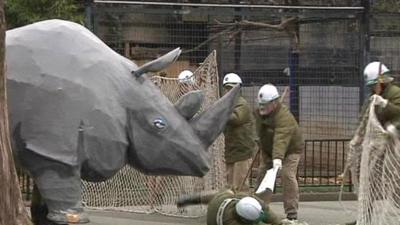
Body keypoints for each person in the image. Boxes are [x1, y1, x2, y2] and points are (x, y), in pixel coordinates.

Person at [345, 62, 400, 225]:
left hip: (394, 144)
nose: (373, 88)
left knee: (396, 183)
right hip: (379, 147)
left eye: (374, 84)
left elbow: (398, 112)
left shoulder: (395, 93)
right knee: (368, 182)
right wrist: (356, 139)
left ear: (383, 81)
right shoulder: (372, 98)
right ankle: (364, 218)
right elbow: (364, 118)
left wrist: (386, 107)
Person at [254, 83, 304, 221]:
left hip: (290, 150)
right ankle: (259, 210)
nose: (261, 107)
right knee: (262, 176)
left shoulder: (284, 118)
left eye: (265, 104)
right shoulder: (259, 112)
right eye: (260, 104)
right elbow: (259, 131)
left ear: (275, 103)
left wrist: (277, 158)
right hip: (268, 151)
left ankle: (291, 214)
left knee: (287, 176)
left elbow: (280, 139)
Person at [222, 73, 257, 192]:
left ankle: (242, 209)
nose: (228, 91)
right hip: (231, 151)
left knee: (240, 185)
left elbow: (236, 119)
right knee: (230, 185)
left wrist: (220, 112)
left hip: (242, 151)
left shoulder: (241, 103)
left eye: (231, 88)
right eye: (227, 88)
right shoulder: (228, 104)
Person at [177, 189, 282, 225]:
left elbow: (264, 208)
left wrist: (277, 222)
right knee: (222, 196)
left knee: (225, 193)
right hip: (213, 220)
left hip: (220, 201)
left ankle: (192, 198)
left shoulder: (244, 199)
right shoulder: (232, 222)